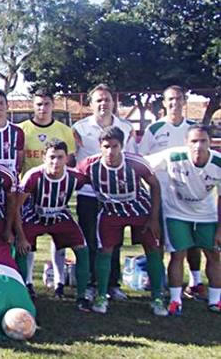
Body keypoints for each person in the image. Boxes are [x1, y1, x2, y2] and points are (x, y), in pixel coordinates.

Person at [75, 127, 167, 316]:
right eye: (106, 146)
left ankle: (157, 297)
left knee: (153, 249)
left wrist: (154, 218)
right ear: (100, 146)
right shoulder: (89, 165)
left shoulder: (136, 163)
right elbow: (73, 180)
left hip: (140, 210)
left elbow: (155, 185)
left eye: (115, 146)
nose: (110, 151)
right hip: (111, 212)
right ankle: (102, 295)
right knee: (104, 250)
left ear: (122, 146)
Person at [145, 125, 221, 315]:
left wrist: (220, 229)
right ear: (186, 142)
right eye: (194, 141)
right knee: (177, 254)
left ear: (210, 143)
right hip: (176, 213)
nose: (198, 146)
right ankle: (175, 301)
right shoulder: (173, 156)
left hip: (206, 215)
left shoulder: (218, 163)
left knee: (213, 254)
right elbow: (143, 165)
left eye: (203, 141)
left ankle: (215, 300)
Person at [139, 85, 205, 301]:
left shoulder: (193, 129)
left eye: (178, 99)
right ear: (164, 103)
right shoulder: (154, 129)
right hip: (160, 194)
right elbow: (142, 160)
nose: (174, 103)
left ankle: (195, 282)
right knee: (156, 238)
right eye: (170, 99)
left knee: (191, 240)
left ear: (184, 101)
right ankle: (157, 280)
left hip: (188, 195)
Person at [72, 84, 136, 302]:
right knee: (89, 238)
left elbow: (132, 158)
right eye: (98, 100)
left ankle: (112, 284)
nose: (103, 104)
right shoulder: (79, 128)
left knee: (113, 241)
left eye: (107, 99)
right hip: (89, 193)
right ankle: (90, 283)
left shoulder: (125, 127)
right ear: (90, 104)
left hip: (116, 195)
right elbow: (74, 160)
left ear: (113, 102)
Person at [14, 139, 92, 311]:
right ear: (44, 158)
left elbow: (96, 182)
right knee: (21, 249)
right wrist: (20, 236)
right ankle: (23, 290)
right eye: (51, 157)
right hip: (34, 214)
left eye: (60, 157)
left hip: (60, 215)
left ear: (67, 159)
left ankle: (81, 296)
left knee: (82, 249)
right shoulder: (33, 176)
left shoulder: (75, 177)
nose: (55, 162)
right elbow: (16, 207)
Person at [18, 93, 76, 298]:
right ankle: (28, 282)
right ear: (33, 106)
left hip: (56, 193)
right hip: (29, 193)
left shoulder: (64, 130)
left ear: (53, 105)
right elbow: (19, 161)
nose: (43, 108)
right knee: (29, 240)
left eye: (46, 104)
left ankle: (59, 282)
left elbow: (70, 161)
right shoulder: (22, 129)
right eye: (39, 104)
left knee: (59, 238)